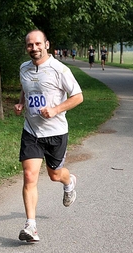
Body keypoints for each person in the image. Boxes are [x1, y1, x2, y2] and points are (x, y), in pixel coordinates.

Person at [14, 29, 83, 242]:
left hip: (55, 132)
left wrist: (55, 110)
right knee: (29, 175)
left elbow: (78, 96)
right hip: (32, 131)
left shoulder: (59, 70)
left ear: (46, 45)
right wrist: (21, 103)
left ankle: (68, 181)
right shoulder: (24, 68)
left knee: (54, 175)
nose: (33, 48)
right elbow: (26, 89)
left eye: (37, 44)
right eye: (29, 45)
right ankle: (31, 226)